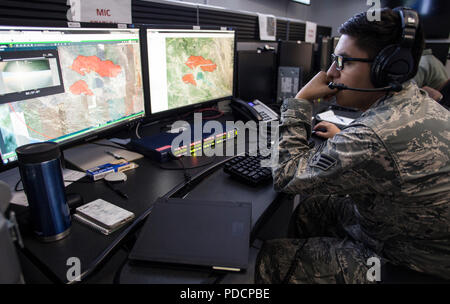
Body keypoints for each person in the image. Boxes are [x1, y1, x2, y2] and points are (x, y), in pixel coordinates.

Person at [255, 8, 450, 284]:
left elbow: (286, 176)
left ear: (387, 69)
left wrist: (299, 102)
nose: (331, 73)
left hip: (409, 264)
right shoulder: (413, 101)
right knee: (311, 211)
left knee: (274, 257)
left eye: (343, 62)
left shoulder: (372, 135)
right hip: (413, 233)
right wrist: (343, 135)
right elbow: (385, 147)